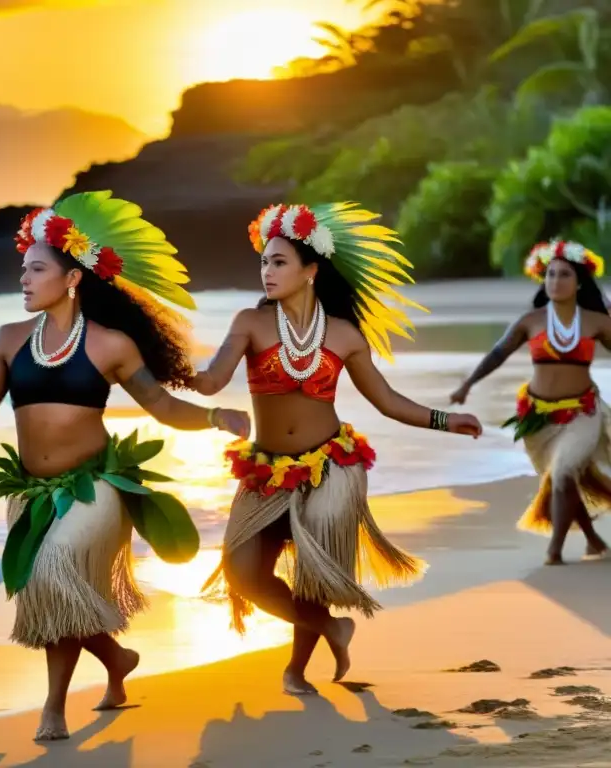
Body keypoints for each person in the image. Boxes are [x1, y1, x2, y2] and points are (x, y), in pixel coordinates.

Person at [0, 190, 250, 740]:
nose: (24, 278)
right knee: (49, 589)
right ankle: (114, 660)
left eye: (36, 269)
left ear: (72, 277)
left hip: (95, 489)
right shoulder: (9, 341)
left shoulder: (111, 344)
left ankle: (54, 707)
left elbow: (162, 405)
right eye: (22, 269)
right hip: (31, 491)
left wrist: (215, 417)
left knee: (57, 573)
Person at [193, 202, 483, 695]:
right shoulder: (249, 323)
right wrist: (165, 366)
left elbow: (387, 400)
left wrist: (444, 419)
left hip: (331, 466)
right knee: (244, 573)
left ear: (311, 270)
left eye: (279, 261)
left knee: (314, 577)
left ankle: (296, 670)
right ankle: (332, 629)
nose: (267, 271)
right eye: (264, 261)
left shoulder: (345, 334)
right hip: (266, 470)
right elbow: (211, 379)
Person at [451, 239, 611, 565]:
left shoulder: (596, 322)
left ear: (579, 282)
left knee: (565, 471)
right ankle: (593, 540)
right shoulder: (532, 320)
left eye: (564, 275)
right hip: (538, 418)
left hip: (582, 412)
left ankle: (554, 549)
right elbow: (498, 353)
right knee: (561, 477)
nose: (555, 281)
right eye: (550, 275)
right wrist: (467, 385)